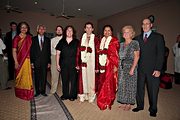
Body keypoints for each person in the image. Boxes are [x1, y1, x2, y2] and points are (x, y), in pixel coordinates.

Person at [132, 18, 165, 117]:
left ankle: (153, 108)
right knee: (139, 89)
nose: (145, 25)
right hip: (140, 69)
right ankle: (140, 106)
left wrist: (158, 69)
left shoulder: (158, 37)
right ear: (141, 26)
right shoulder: (137, 39)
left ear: (151, 25)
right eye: (143, 24)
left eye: (147, 24)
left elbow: (161, 54)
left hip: (153, 69)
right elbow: (134, 54)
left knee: (153, 90)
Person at [97, 25, 120, 110]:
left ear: (111, 32)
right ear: (103, 32)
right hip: (102, 65)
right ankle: (104, 97)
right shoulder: (101, 41)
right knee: (103, 82)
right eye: (105, 30)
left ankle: (107, 100)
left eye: (109, 30)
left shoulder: (114, 41)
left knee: (109, 83)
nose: (107, 32)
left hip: (110, 64)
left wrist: (115, 65)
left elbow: (115, 54)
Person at [117, 25, 140, 111]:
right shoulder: (121, 44)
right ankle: (123, 102)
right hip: (121, 67)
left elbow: (137, 57)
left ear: (132, 34)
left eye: (128, 32)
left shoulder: (135, 43)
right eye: (124, 32)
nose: (126, 34)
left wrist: (132, 69)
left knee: (130, 86)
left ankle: (129, 103)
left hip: (130, 66)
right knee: (122, 85)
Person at [76, 22, 99, 103]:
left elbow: (97, 53)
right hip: (83, 62)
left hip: (92, 63)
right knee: (83, 79)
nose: (88, 29)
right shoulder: (82, 39)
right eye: (87, 27)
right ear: (84, 29)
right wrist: (77, 64)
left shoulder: (96, 39)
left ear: (93, 29)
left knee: (91, 79)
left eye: (90, 27)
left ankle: (91, 95)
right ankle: (83, 94)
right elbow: (78, 52)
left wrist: (97, 67)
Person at [56, 25, 79, 101]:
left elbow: (80, 54)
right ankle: (65, 94)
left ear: (73, 32)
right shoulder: (61, 41)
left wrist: (78, 64)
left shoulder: (77, 42)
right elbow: (58, 54)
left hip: (74, 64)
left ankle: (73, 95)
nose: (69, 32)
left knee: (73, 80)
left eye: (71, 30)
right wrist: (57, 64)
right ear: (65, 32)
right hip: (63, 64)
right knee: (64, 79)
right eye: (68, 30)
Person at [12, 22, 34, 100]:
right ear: (19, 28)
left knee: (28, 77)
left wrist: (33, 61)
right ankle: (21, 93)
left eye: (25, 27)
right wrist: (16, 62)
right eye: (22, 27)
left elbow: (33, 51)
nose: (24, 29)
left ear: (28, 29)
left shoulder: (30, 37)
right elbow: (14, 51)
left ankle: (28, 93)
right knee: (20, 77)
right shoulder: (16, 38)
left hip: (28, 61)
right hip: (20, 60)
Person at [30, 25, 51, 97]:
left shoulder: (48, 40)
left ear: (44, 30)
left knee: (44, 77)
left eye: (43, 29)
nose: (41, 30)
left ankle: (43, 91)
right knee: (37, 77)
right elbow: (31, 51)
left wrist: (49, 62)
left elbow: (49, 52)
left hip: (45, 62)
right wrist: (32, 62)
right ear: (37, 30)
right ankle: (38, 91)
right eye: (40, 29)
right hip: (36, 61)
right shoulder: (33, 39)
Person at [50, 25, 63, 94]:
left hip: (63, 58)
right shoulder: (52, 40)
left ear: (62, 31)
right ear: (56, 31)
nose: (59, 31)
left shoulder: (65, 39)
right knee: (54, 74)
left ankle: (64, 90)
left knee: (64, 75)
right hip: (54, 57)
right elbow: (50, 51)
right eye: (57, 29)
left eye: (60, 29)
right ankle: (53, 90)